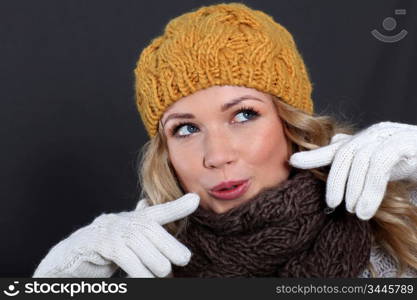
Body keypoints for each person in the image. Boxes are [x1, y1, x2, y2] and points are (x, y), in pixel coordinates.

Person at [33, 2, 417, 278]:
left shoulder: (401, 226)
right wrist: (63, 274)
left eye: (244, 115)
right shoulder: (143, 264)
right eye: (186, 129)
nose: (216, 156)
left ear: (290, 122)